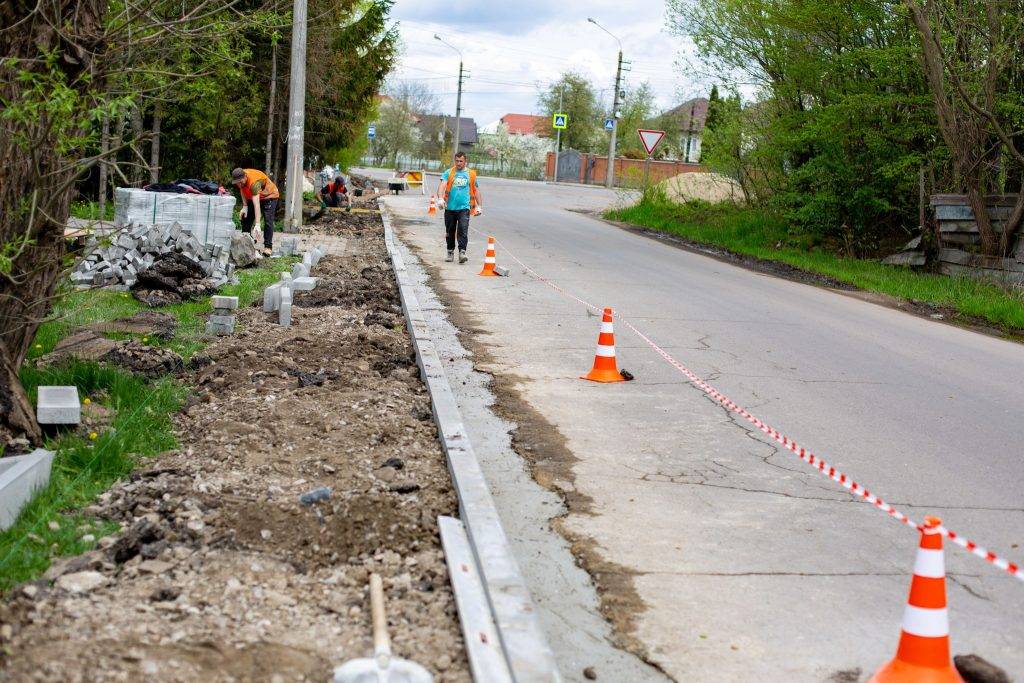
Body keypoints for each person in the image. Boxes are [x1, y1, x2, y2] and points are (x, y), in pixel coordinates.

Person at [436, 151, 482, 263]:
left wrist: (479, 206)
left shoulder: (471, 174)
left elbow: (476, 190)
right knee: (450, 231)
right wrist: (440, 198)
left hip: (464, 208)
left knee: (463, 230)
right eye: (457, 161)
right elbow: (442, 186)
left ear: (465, 161)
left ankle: (462, 252)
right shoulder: (449, 172)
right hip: (450, 208)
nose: (459, 163)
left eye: (461, 161)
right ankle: (450, 252)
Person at [230, 167, 279, 255]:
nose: (239, 185)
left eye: (240, 182)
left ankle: (268, 247)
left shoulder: (254, 183)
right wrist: (245, 206)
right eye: (237, 183)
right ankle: (246, 243)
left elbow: (256, 205)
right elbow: (242, 189)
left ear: (245, 177)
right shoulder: (240, 178)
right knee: (246, 217)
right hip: (255, 196)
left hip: (269, 195)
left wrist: (257, 224)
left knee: (268, 221)